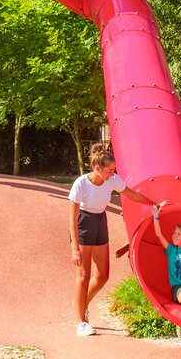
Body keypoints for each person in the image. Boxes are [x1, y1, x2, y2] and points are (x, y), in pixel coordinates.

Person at [68, 144, 156, 337]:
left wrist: (153, 204)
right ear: (97, 169)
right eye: (110, 170)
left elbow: (132, 194)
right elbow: (72, 218)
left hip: (100, 221)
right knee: (83, 275)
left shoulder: (112, 180)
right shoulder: (81, 184)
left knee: (102, 276)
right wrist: (75, 248)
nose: (113, 173)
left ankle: (81, 304)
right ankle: (81, 322)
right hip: (83, 223)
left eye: (114, 170)